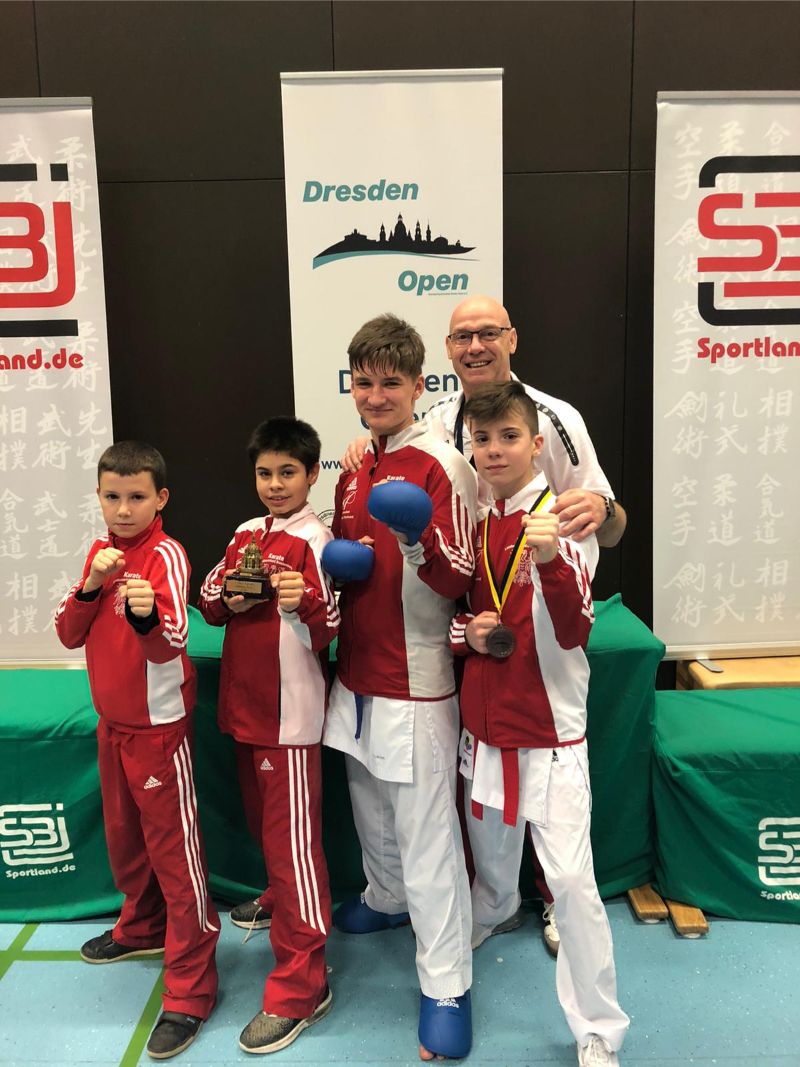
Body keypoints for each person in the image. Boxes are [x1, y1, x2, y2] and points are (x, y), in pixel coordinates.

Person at [343, 294, 627, 954]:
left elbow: (610, 521)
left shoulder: (555, 416)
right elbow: (420, 477)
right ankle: (493, 902)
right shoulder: (441, 421)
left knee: (550, 782)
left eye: (488, 333)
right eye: (462, 336)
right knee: (485, 788)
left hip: (542, 609)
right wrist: (370, 448)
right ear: (447, 351)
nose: (476, 346)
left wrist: (601, 512)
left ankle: (554, 900)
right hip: (470, 614)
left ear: (512, 338)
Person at [450, 381, 629, 1066]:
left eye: (508, 437)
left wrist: (550, 559)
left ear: (535, 443)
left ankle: (598, 1027)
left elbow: (578, 626)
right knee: (490, 856)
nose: (495, 450)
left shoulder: (562, 516)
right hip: (485, 726)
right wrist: (471, 632)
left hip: (549, 730)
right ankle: (496, 911)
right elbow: (458, 621)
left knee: (573, 884)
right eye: (483, 439)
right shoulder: (478, 519)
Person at [322, 313, 478, 1061]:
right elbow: (348, 554)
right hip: (355, 670)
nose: (376, 395)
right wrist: (342, 561)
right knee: (370, 807)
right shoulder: (355, 464)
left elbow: (461, 576)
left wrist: (418, 541)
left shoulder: (443, 464)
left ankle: (447, 983)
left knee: (429, 838)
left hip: (416, 677)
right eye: (364, 382)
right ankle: (385, 899)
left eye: (391, 382)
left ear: (419, 385)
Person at [55, 441, 218, 1061]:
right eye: (112, 497)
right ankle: (143, 927)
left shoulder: (166, 554)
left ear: (160, 498)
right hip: (113, 724)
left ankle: (192, 988)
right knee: (127, 844)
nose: (123, 510)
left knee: (176, 860)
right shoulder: (100, 555)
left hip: (157, 731)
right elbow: (68, 633)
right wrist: (92, 586)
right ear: (100, 497)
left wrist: (147, 615)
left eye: (136, 497)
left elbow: (171, 641)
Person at [198, 417, 338, 1055]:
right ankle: (281, 897)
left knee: (294, 850)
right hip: (245, 709)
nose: (275, 484)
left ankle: (303, 985)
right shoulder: (245, 534)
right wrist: (230, 596)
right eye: (265, 473)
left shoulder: (319, 540)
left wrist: (300, 599)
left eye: (288, 472)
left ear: (311, 475)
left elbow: (332, 625)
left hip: (289, 719)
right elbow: (209, 602)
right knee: (266, 832)